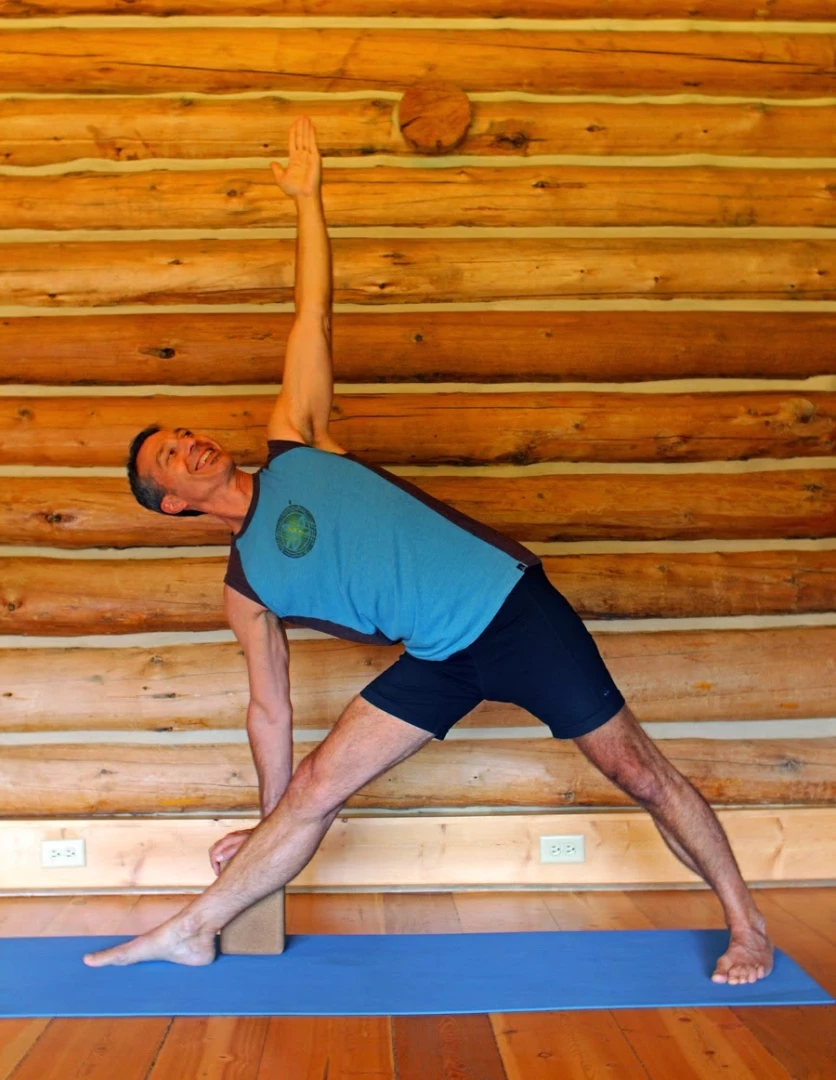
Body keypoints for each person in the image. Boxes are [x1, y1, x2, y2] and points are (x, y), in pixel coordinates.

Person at [84, 117, 773, 985]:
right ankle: (190, 930)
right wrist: (265, 831)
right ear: (175, 505)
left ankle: (747, 925)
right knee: (310, 795)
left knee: (638, 770)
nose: (190, 445)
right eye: (170, 458)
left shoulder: (296, 439)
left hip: (512, 610)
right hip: (439, 656)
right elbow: (270, 715)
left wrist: (309, 202)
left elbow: (314, 313)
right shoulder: (247, 588)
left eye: (184, 432)